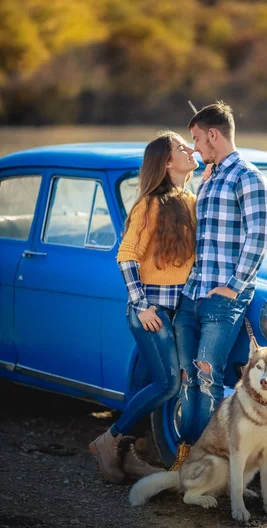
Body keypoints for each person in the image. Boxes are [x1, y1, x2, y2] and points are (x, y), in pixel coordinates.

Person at [89, 131, 198, 484]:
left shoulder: (191, 200)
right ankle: (109, 440)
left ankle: (131, 452)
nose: (190, 149)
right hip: (150, 312)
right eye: (182, 147)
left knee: (144, 384)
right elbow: (126, 257)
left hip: (177, 311)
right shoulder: (149, 204)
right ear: (167, 163)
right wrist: (142, 305)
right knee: (167, 383)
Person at [173, 101, 267, 464]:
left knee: (207, 379)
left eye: (197, 139)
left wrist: (234, 285)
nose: (195, 147)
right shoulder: (211, 176)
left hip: (222, 298)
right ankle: (185, 456)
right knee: (186, 377)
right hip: (192, 294)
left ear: (214, 134)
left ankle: (205, 461)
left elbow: (258, 238)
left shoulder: (248, 177)